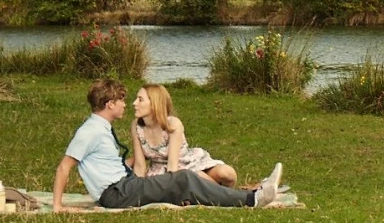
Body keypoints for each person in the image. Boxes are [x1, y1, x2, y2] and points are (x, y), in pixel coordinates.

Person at [54, 79, 282, 211]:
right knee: (184, 179)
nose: (126, 104)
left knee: (184, 181)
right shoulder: (90, 131)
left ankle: (249, 194)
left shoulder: (100, 127)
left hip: (125, 186)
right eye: (121, 100)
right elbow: (64, 166)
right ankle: (251, 199)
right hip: (117, 193)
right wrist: (57, 207)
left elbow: (112, 163)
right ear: (110, 104)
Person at [131, 83, 238, 187]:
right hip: (162, 172)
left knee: (226, 173)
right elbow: (139, 165)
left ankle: (218, 190)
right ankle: (222, 193)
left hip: (186, 164)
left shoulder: (172, 124)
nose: (134, 103)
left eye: (140, 99)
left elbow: (173, 165)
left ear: (155, 103)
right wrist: (136, 189)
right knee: (194, 178)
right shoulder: (137, 126)